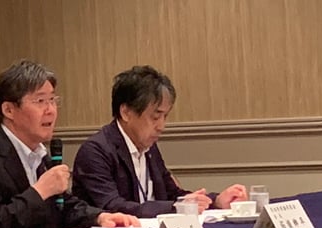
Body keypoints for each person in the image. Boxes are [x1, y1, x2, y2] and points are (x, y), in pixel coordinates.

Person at [0, 60, 139, 228]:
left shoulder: (39, 154)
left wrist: (100, 217)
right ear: (8, 110)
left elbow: (62, 207)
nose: (50, 110)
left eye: (52, 100)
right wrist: (39, 192)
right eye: (40, 101)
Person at [72, 65, 248, 218]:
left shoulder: (148, 147)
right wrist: (176, 207)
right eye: (155, 117)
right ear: (126, 113)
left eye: (165, 117)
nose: (161, 126)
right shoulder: (96, 152)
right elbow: (113, 206)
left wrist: (215, 200)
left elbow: (173, 195)